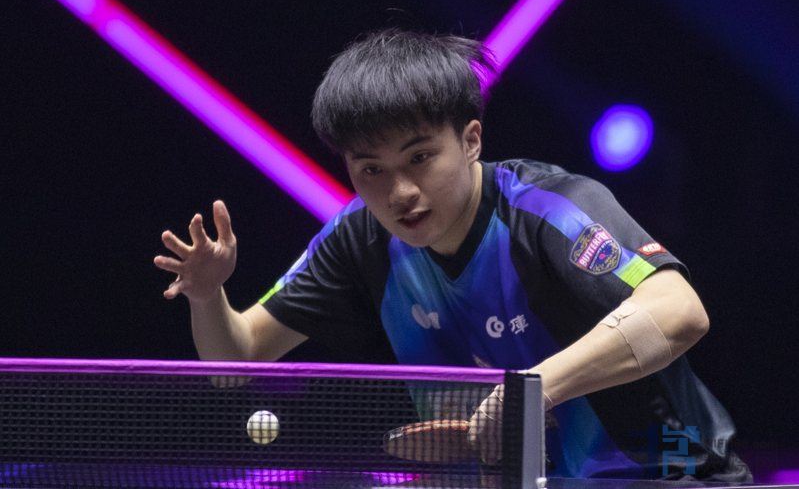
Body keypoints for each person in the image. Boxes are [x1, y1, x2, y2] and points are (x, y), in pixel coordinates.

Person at [154, 30, 750, 481]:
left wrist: (534, 389)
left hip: (673, 474)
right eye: (371, 169)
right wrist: (208, 296)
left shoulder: (547, 208)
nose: (399, 193)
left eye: (419, 158)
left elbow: (679, 311)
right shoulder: (357, 239)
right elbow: (235, 362)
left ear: (470, 140)